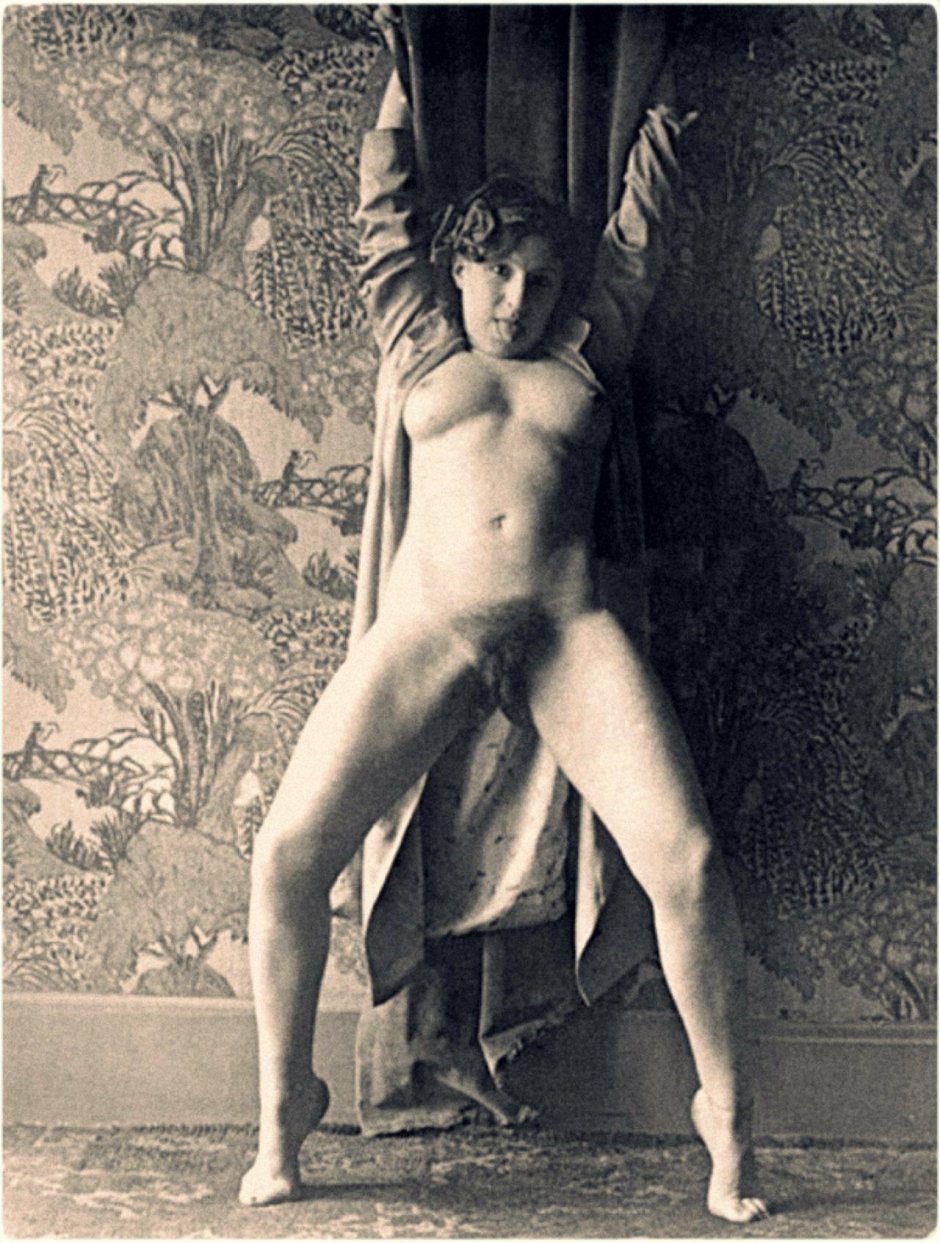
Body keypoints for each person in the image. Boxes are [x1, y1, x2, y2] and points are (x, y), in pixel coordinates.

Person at [239, 63, 769, 1223]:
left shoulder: (584, 350)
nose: (516, 302)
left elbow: (640, 230)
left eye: (537, 280)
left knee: (684, 861)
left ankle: (725, 1120)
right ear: (459, 268)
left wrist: (664, 90)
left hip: (565, 636)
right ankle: (284, 1109)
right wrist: (405, 62)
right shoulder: (419, 343)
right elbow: (382, 207)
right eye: (495, 274)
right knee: (285, 852)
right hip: (427, 631)